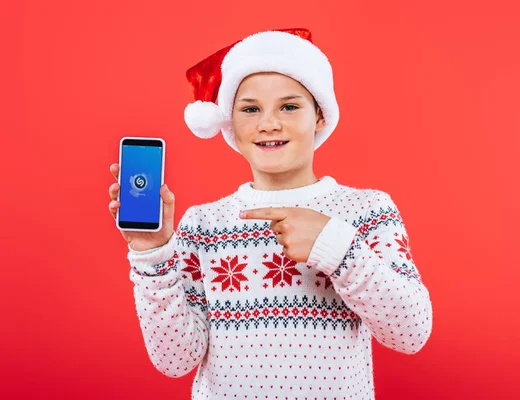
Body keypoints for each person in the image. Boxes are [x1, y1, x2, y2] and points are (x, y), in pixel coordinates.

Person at [107, 28, 433, 399]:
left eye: (289, 106)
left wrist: (335, 245)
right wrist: (152, 255)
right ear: (230, 122)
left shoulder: (367, 211)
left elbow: (411, 332)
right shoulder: (203, 225)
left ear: (320, 116)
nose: (268, 123)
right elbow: (176, 359)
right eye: (250, 109)